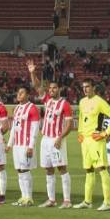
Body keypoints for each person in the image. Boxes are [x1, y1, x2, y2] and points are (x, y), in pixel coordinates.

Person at [73, 79, 110, 211]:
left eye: (87, 86)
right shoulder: (82, 102)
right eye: (84, 87)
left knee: (102, 169)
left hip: (96, 140)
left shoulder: (99, 101)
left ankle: (107, 202)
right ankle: (87, 201)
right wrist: (80, 131)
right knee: (89, 170)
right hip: (85, 141)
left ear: (93, 88)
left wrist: (105, 133)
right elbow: (81, 117)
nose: (85, 89)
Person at [37, 79, 74, 208]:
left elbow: (70, 125)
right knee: (48, 169)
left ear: (59, 89)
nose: (51, 90)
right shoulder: (47, 101)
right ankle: (51, 200)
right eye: (50, 88)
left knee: (62, 168)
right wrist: (32, 73)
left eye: (54, 88)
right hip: (45, 139)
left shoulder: (65, 104)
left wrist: (60, 137)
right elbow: (38, 87)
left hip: (56, 139)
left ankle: (67, 200)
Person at [7, 86, 40, 206]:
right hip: (17, 145)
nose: (18, 94)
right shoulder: (16, 109)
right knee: (19, 171)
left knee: (25, 170)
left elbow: (35, 129)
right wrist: (10, 144)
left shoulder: (32, 108)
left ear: (27, 95)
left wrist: (31, 146)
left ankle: (29, 198)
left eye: (21, 92)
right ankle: (23, 196)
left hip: (26, 144)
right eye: (18, 92)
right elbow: (13, 128)